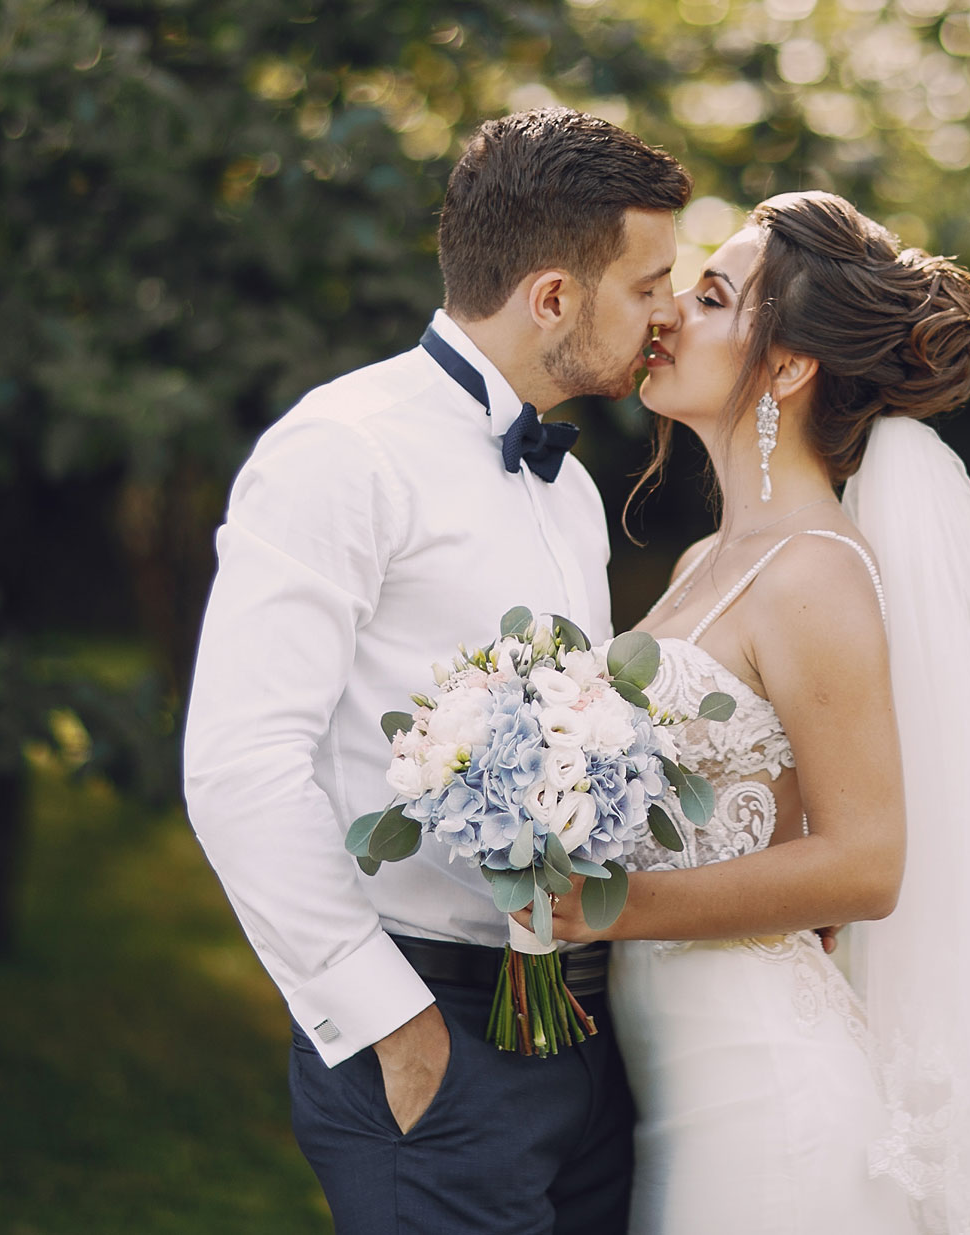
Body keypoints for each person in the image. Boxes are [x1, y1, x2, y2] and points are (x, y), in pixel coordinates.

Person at [529, 190, 970, 1235]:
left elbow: (864, 864)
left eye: (710, 295)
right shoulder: (707, 561)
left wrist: (609, 907)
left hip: (762, 1105)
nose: (668, 317)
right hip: (672, 1087)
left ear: (787, 366)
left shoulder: (814, 573)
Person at [182, 108, 690, 1235]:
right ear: (553, 296)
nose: (669, 313)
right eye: (650, 283)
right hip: (426, 1026)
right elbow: (238, 762)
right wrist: (389, 1026)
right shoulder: (340, 450)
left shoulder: (566, 485)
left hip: (576, 1021)